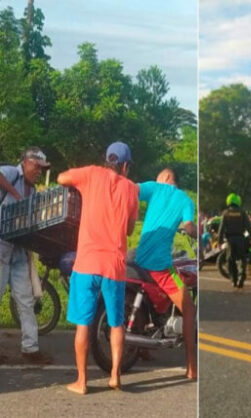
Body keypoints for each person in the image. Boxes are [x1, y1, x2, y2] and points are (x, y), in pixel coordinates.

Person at [58, 142, 139, 394]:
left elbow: (61, 178)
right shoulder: (131, 189)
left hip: (87, 263)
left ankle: (81, 381)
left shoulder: (92, 173)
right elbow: (128, 229)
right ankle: (115, 375)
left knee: (84, 324)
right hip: (114, 266)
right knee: (116, 324)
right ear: (125, 166)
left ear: (107, 160)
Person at [134, 168, 197, 380]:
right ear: (172, 179)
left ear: (167, 178)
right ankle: (191, 367)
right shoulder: (186, 200)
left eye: (159, 176)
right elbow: (189, 228)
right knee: (189, 308)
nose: (157, 179)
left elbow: (130, 190)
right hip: (159, 264)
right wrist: (198, 231)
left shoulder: (153, 188)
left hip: (139, 257)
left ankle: (141, 347)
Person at [0, 147, 53, 365]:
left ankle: (30, 349)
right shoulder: (12, 172)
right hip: (2, 244)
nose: (40, 172)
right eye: (38, 167)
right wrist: (14, 193)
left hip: (20, 250)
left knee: (25, 300)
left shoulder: (34, 191)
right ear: (27, 163)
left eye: (42, 169)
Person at [218, 193, 251, 290]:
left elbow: (221, 228)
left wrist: (219, 241)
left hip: (230, 240)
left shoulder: (225, 213)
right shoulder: (242, 212)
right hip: (240, 239)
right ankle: (242, 277)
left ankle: (234, 279)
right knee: (242, 258)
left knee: (230, 260)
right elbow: (248, 226)